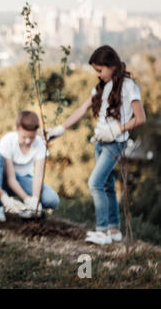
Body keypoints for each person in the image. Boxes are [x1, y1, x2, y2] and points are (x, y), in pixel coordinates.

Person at [46, 45, 146, 245]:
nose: (98, 75)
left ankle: (102, 231)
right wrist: (60, 129)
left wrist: (117, 129)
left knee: (95, 183)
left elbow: (141, 117)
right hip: (100, 142)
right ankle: (114, 229)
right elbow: (83, 109)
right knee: (107, 185)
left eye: (100, 70)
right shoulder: (101, 86)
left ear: (113, 66)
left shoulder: (128, 86)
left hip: (114, 143)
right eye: (96, 71)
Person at [0, 110, 60, 221]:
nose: (28, 141)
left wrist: (34, 199)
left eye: (32, 137)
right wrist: (26, 199)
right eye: (24, 137)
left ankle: (25, 208)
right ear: (16, 129)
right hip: (5, 179)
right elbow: (11, 179)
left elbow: (38, 176)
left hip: (25, 178)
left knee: (52, 200)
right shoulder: (7, 141)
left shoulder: (40, 144)